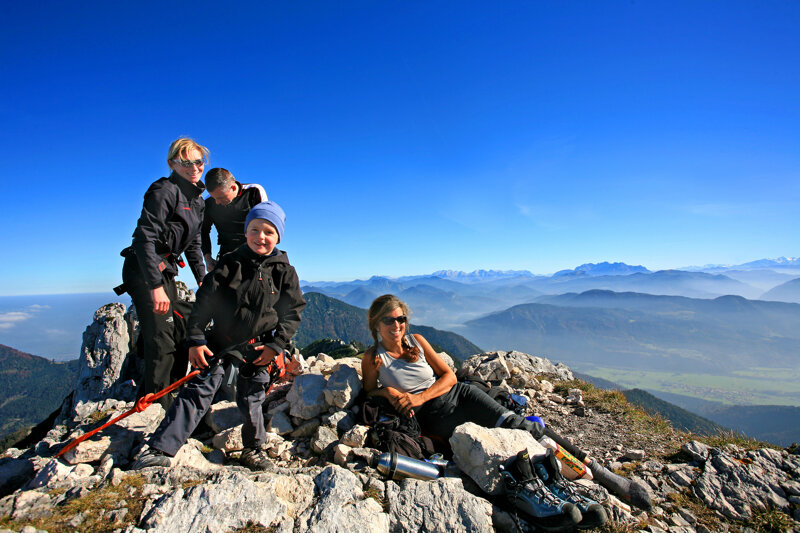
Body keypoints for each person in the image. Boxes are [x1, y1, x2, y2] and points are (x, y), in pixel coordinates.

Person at [133, 201, 306, 470]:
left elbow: (293, 311)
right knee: (198, 391)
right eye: (255, 229)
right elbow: (203, 304)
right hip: (221, 344)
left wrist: (276, 344)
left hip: (260, 347)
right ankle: (161, 448)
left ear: (278, 237)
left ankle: (254, 449)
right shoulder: (229, 265)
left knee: (252, 398)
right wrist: (196, 340)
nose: (261, 237)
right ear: (246, 232)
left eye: (269, 232)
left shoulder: (284, 271)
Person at [361, 294, 543, 441]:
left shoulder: (417, 340)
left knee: (512, 423)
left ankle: (559, 451)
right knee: (490, 437)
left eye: (400, 319)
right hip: (431, 416)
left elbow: (450, 376)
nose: (396, 325)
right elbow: (369, 393)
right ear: (376, 324)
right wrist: (387, 392)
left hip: (461, 395)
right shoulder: (372, 357)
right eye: (388, 320)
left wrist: (419, 397)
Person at [121, 137, 208, 405]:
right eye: (186, 162)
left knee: (182, 323)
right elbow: (144, 238)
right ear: (172, 163)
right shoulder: (164, 191)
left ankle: (166, 389)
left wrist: (203, 280)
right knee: (162, 336)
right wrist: (155, 286)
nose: (194, 167)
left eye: (198, 161)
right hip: (144, 271)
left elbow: (194, 244)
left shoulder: (197, 201)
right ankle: (157, 404)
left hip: (165, 270)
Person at [201, 168, 267, 271]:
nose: (217, 202)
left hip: (255, 253)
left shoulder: (253, 191)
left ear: (232, 187)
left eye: (221, 197)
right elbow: (203, 232)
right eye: (215, 198)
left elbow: (266, 225)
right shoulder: (208, 202)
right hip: (227, 256)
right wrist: (208, 259)